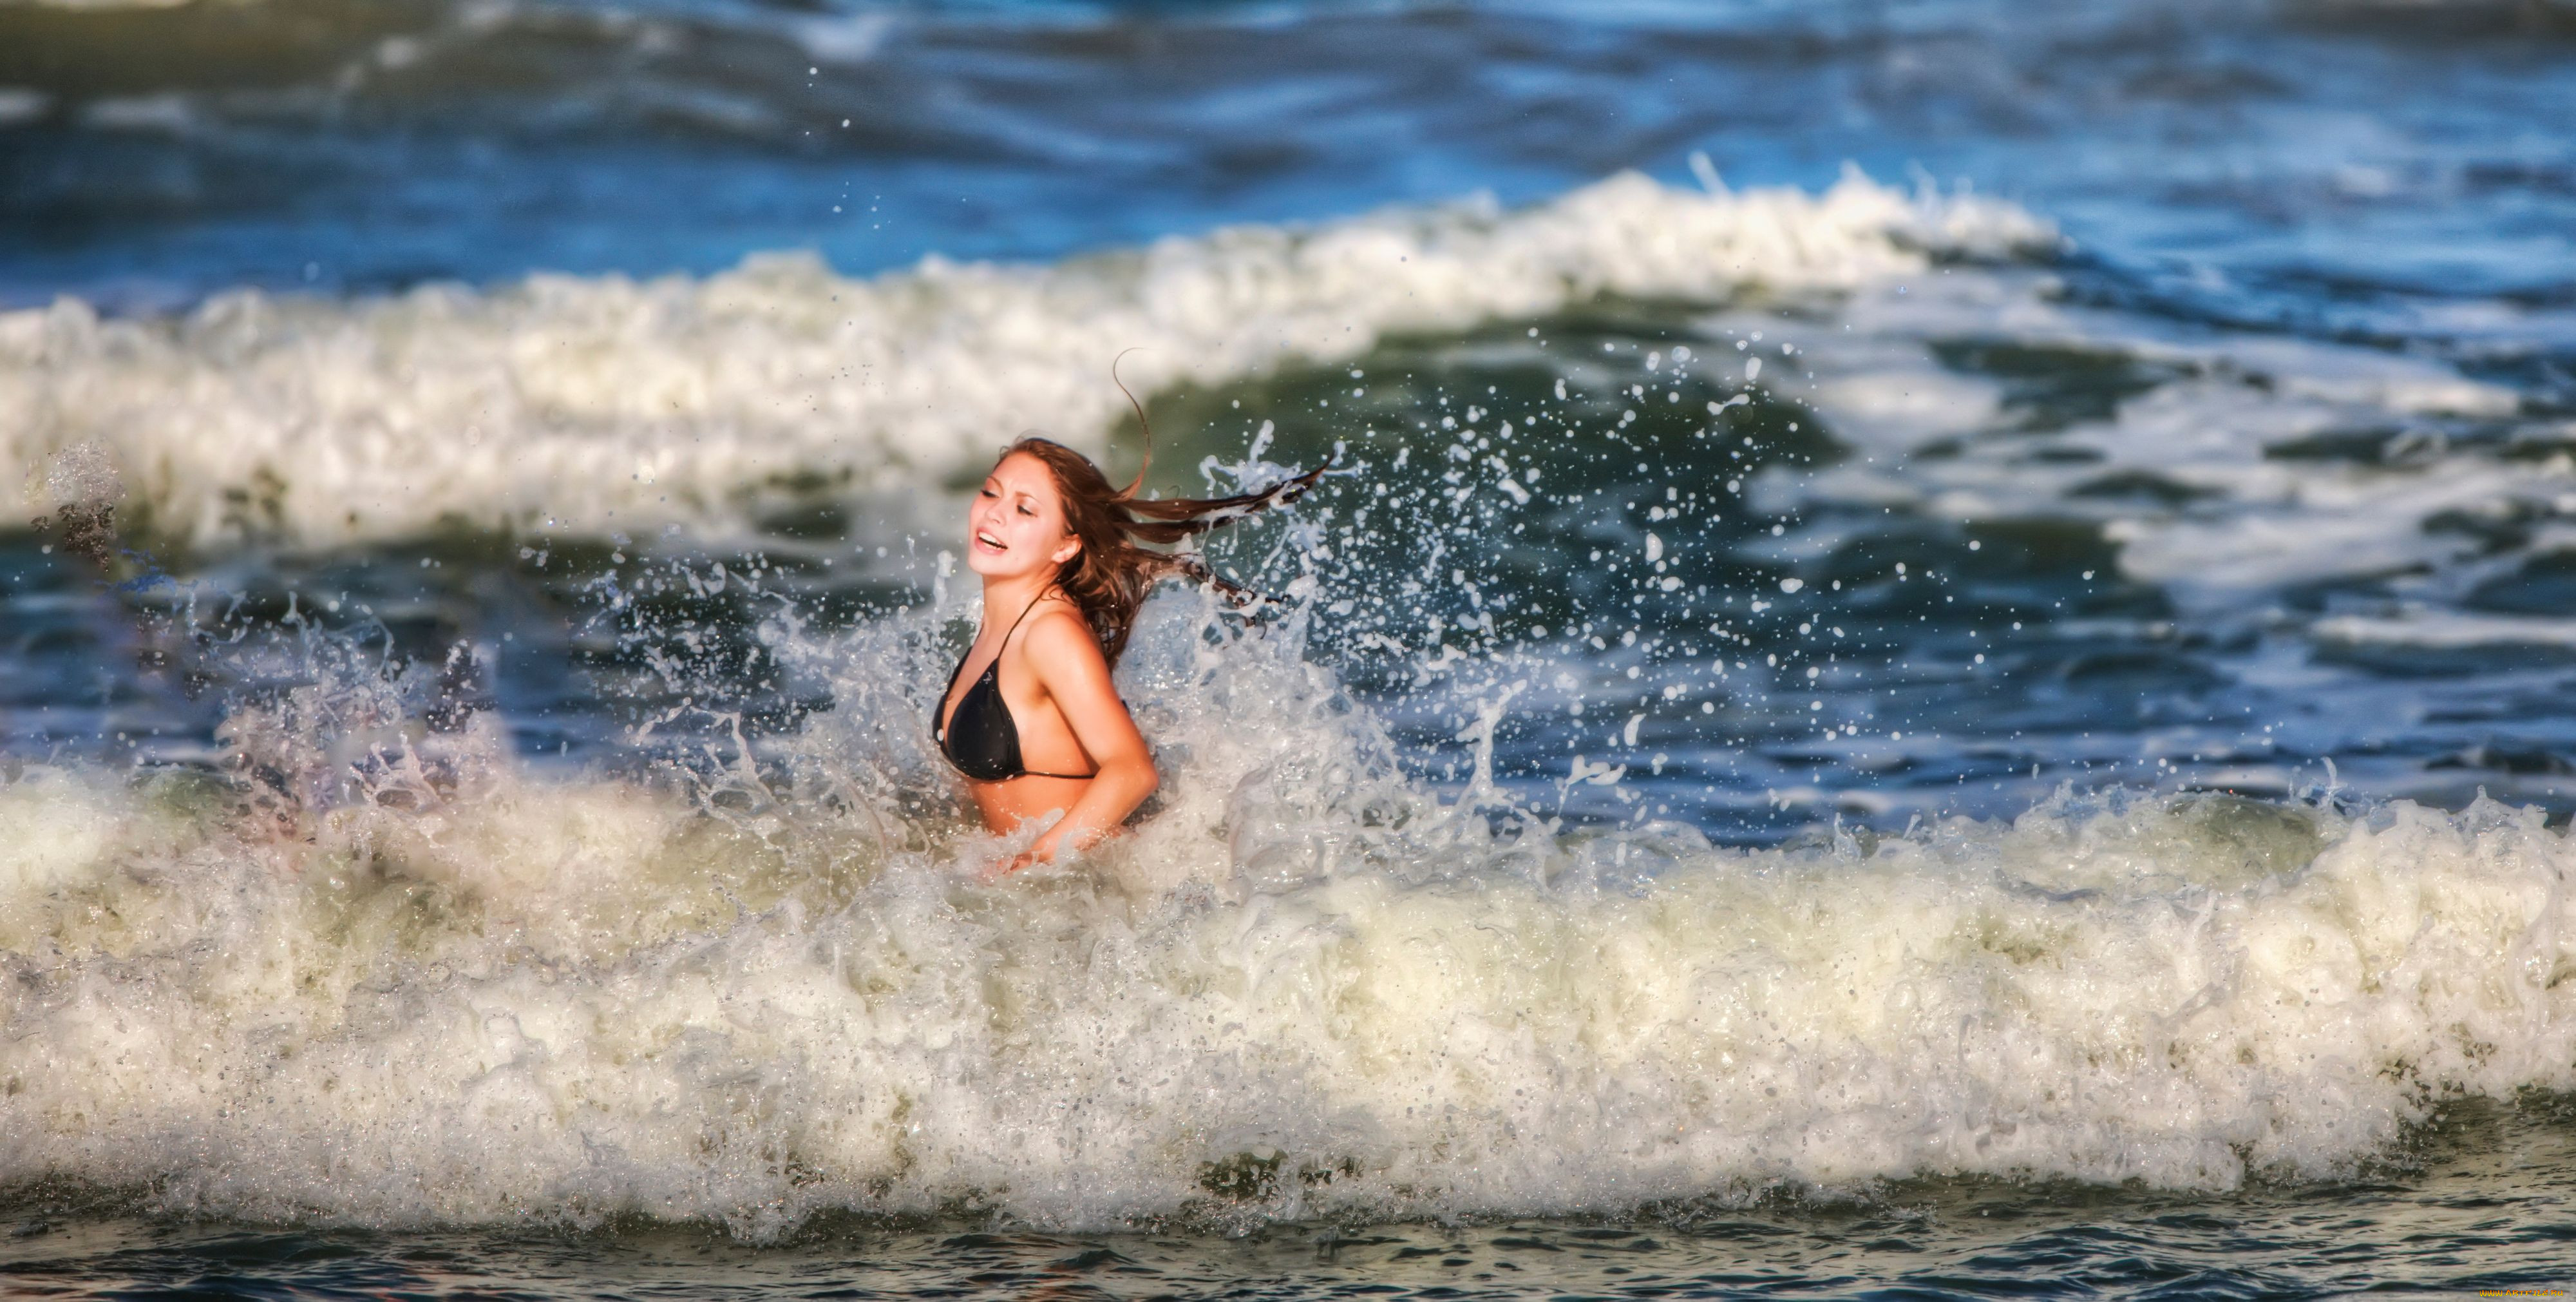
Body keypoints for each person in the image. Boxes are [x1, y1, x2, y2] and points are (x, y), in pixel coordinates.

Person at [934, 428, 1326, 872]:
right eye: (991, 493)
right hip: (1029, 893)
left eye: (1024, 509)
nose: (996, 514)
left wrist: (1030, 861)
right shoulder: (1002, 622)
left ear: (1067, 545)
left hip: (1081, 892)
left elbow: (1133, 770)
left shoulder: (1050, 634)